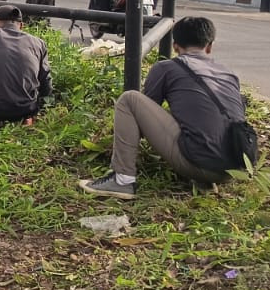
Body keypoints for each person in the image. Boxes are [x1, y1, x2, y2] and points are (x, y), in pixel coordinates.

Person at [80, 16, 247, 198]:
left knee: (130, 99)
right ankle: (203, 180)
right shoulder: (229, 74)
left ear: (175, 46)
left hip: (198, 163)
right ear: (209, 45)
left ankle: (122, 180)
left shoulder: (167, 68)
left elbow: (141, 117)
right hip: (237, 165)